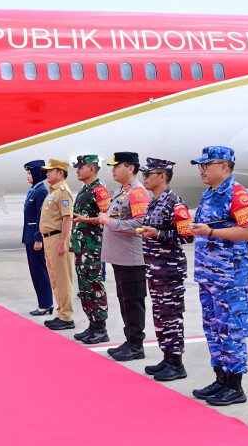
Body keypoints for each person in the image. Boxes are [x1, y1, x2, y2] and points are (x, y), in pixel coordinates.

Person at [189, 146, 248, 406]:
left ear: (225, 166)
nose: (202, 169)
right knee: (213, 328)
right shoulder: (209, 194)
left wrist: (209, 232)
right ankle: (220, 379)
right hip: (209, 275)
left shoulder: (236, 193)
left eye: (207, 165)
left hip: (230, 276)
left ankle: (235, 387)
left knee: (231, 330)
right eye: (201, 165)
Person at [139, 158, 194, 381]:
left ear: (162, 176)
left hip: (169, 270)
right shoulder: (154, 202)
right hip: (155, 269)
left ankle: (177, 363)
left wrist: (158, 234)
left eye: (148, 174)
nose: (144, 178)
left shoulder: (174, 203)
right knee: (161, 315)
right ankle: (167, 357)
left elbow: (188, 235)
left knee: (171, 316)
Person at [99, 152, 150, 361]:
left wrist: (110, 222)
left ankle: (137, 345)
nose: (112, 170)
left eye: (116, 166)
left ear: (130, 168)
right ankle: (130, 340)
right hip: (120, 258)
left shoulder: (137, 193)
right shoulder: (122, 191)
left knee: (133, 301)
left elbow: (140, 225)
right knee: (124, 300)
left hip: (132, 258)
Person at [70, 155, 111, 343]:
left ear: (92, 169)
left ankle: (101, 329)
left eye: (81, 167)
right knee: (85, 287)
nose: (77, 170)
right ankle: (92, 324)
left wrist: (86, 220)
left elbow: (107, 217)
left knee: (94, 286)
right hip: (82, 247)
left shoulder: (99, 191)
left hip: (93, 247)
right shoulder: (85, 189)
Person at [39, 159, 75, 331]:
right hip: (50, 239)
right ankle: (61, 313)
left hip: (58, 238)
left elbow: (67, 219)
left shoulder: (63, 192)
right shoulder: (53, 191)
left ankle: (67, 316)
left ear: (60, 172)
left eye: (50, 171)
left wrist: (63, 244)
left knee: (63, 279)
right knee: (55, 279)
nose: (47, 174)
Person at [22, 160, 53, 315]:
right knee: (35, 272)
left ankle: (46, 303)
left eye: (29, 173)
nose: (28, 176)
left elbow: (42, 217)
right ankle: (44, 302)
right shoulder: (34, 190)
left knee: (39, 271)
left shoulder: (40, 191)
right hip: (29, 237)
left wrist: (38, 239)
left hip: (35, 238)